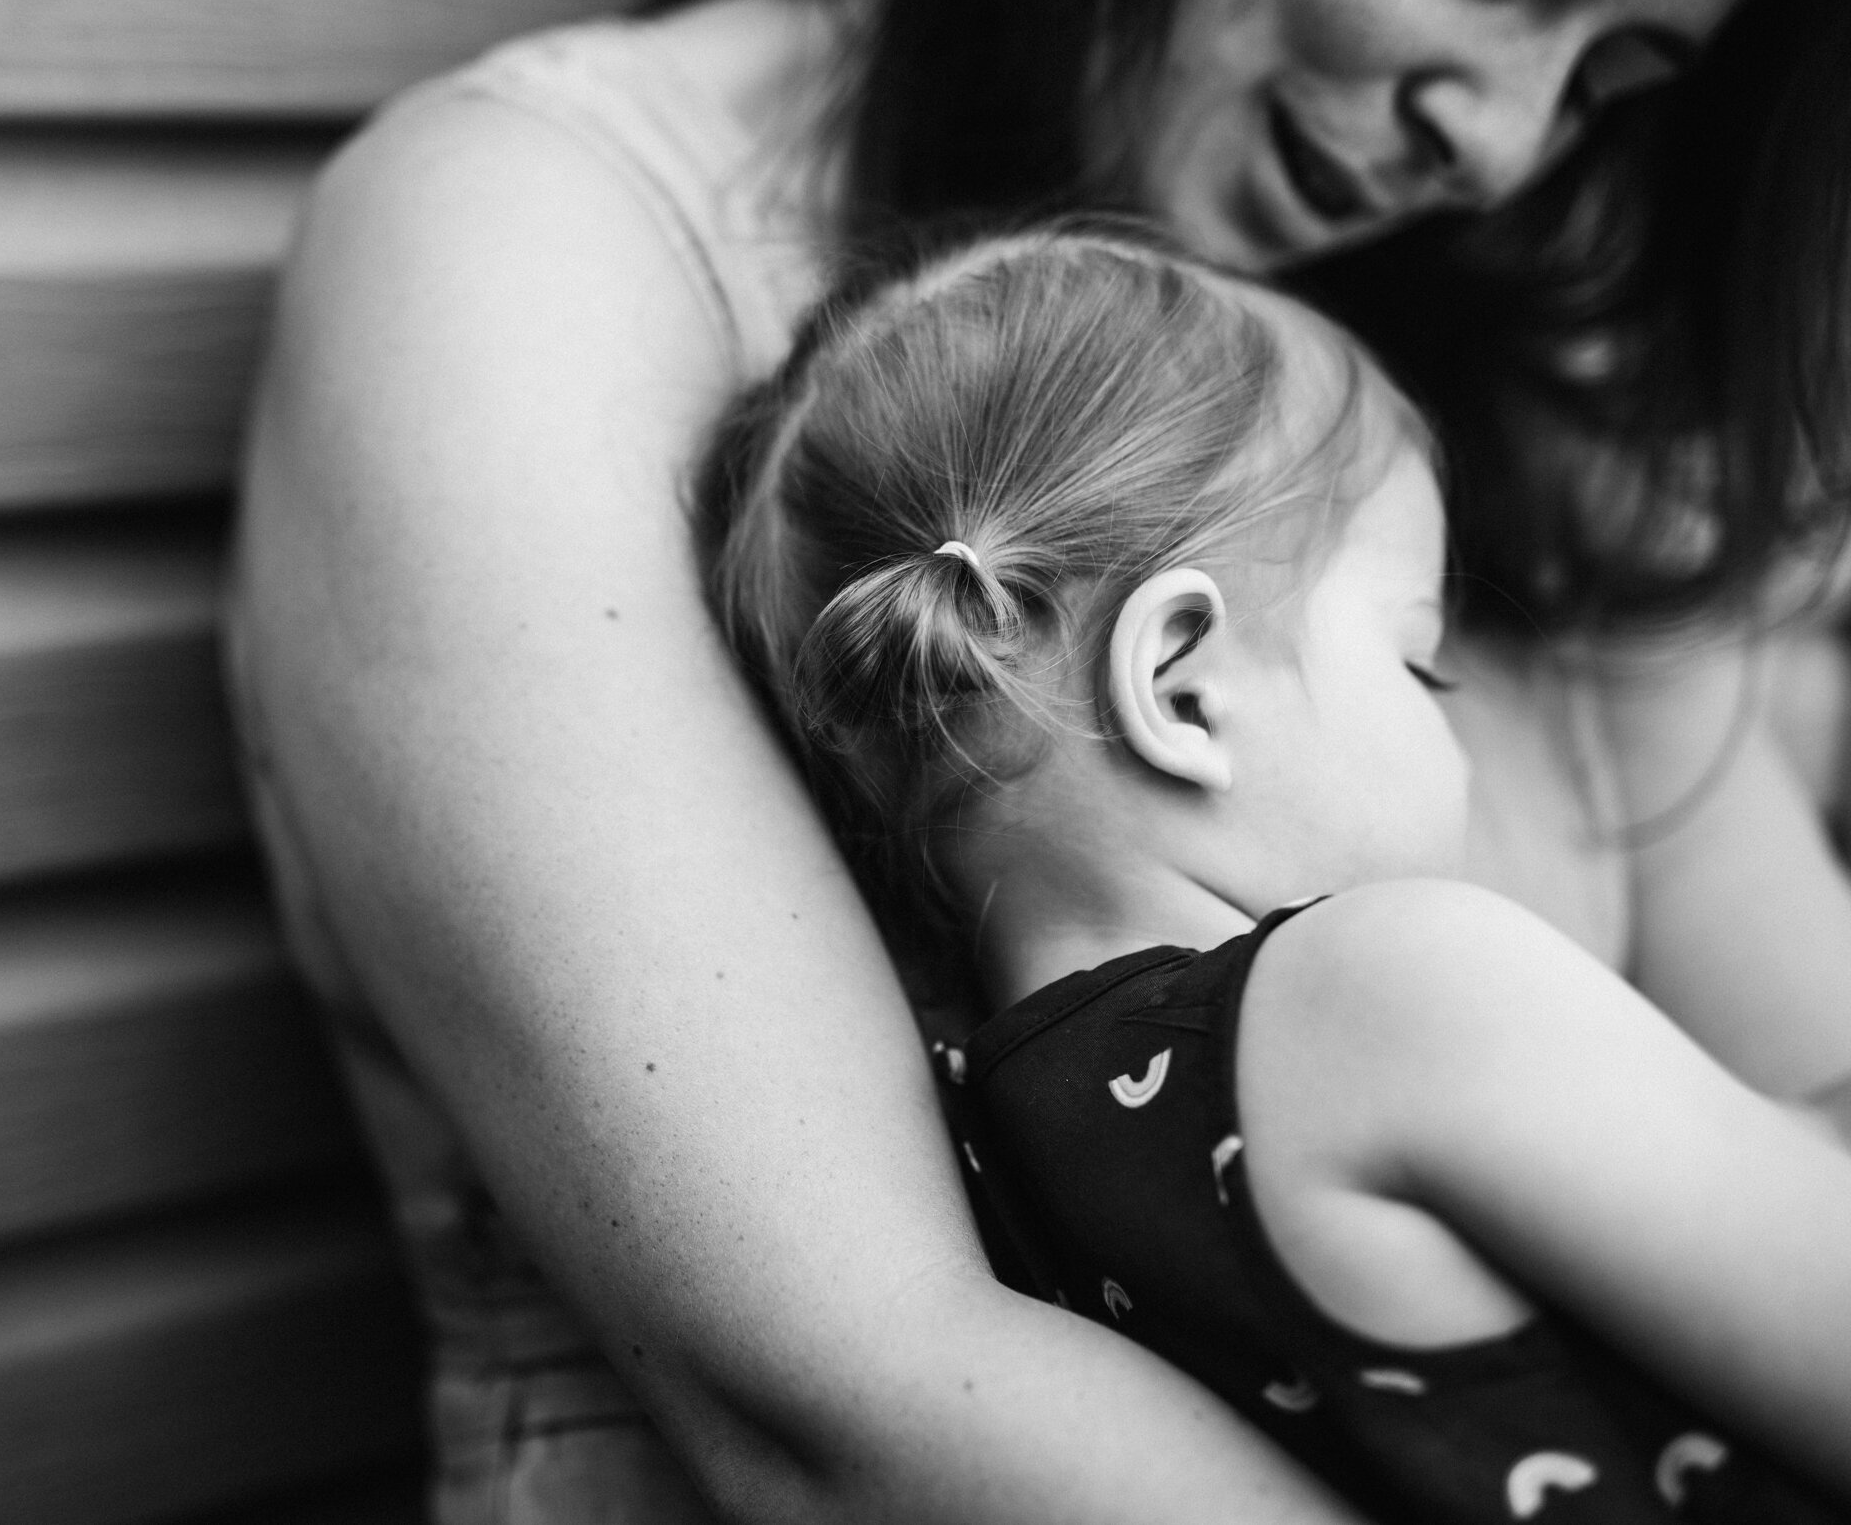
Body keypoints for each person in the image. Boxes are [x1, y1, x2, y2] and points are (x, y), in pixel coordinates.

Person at [228, 0, 1851, 1518]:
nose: (1501, 145)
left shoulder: (1500, 350)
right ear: (1176, 677)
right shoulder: (538, 246)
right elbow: (847, 1402)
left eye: (1613, 82)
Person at [699, 221, 1851, 1523]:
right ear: (1184, 689)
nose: (1463, 741)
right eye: (1420, 664)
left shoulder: (993, 1153)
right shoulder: (1386, 985)